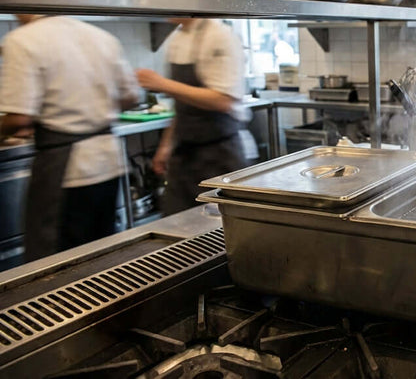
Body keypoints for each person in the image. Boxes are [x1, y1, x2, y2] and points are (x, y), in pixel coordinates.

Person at [0, 15, 139, 261]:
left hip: (66, 170)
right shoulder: (101, 36)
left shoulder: (22, 40)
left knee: (57, 259)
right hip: (107, 160)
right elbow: (131, 97)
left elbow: (19, 118)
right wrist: (89, 108)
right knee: (102, 252)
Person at [135, 18, 248, 215]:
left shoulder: (219, 35)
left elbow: (223, 100)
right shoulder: (177, 38)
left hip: (218, 156)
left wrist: (162, 84)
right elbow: (183, 104)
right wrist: (166, 146)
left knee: (219, 229)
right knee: (176, 224)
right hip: (183, 157)